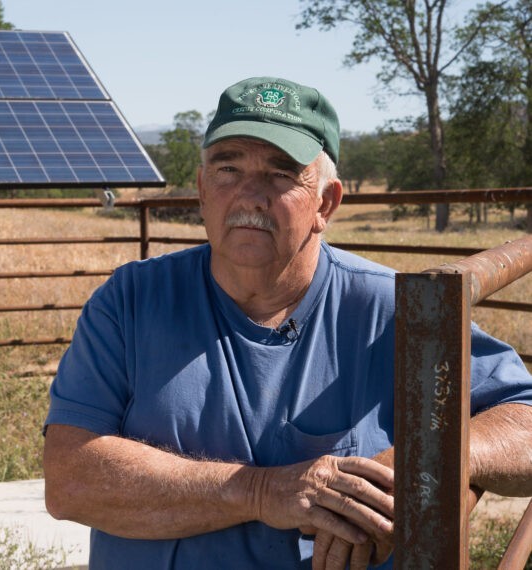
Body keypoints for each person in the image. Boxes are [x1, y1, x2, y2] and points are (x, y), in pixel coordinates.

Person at [42, 76, 532, 569]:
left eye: (281, 173)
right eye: (228, 167)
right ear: (201, 189)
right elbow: (70, 479)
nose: (250, 195)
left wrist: (428, 460)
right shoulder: (130, 301)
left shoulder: (393, 310)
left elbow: (525, 421)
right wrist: (260, 492)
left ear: (326, 203)